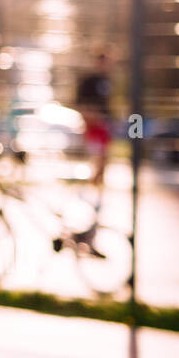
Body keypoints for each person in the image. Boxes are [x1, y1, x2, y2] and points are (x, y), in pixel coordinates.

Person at [74, 49, 113, 229]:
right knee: (96, 160)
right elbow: (79, 104)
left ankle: (94, 193)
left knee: (103, 162)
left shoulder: (108, 81)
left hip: (104, 126)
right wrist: (91, 117)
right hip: (93, 126)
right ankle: (84, 192)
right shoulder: (88, 82)